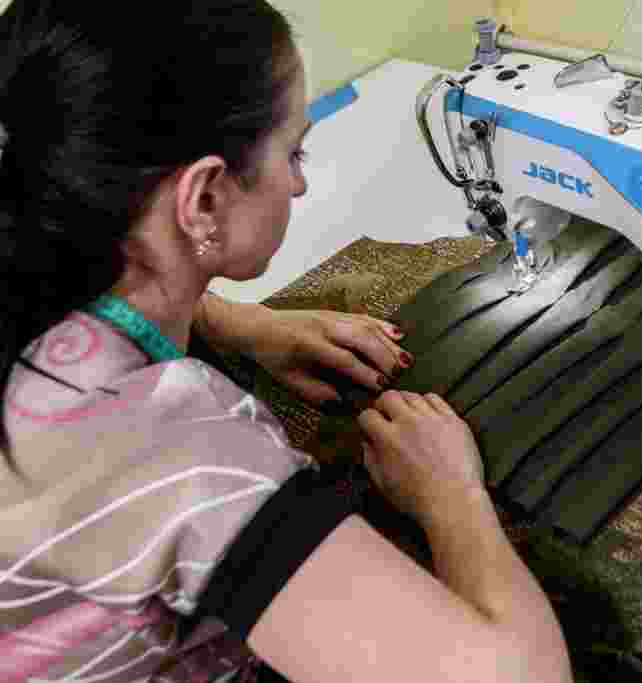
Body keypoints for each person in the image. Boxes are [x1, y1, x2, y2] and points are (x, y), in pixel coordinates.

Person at [0, 1, 572, 682]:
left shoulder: (29, 226)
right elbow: (527, 675)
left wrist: (237, 324)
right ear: (204, 199)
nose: (299, 182)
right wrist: (453, 498)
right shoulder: (181, 453)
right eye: (293, 152)